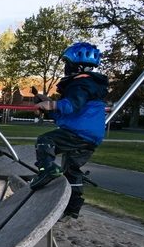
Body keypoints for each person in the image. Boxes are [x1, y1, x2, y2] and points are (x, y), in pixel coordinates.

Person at [29, 42, 109, 219]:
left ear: (77, 66)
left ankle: (47, 170)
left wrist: (50, 104)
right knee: (71, 170)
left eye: (67, 63)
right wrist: (48, 104)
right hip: (90, 137)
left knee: (45, 140)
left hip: (79, 132)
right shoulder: (90, 85)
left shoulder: (81, 84)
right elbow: (67, 115)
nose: (65, 67)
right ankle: (72, 207)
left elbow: (72, 105)